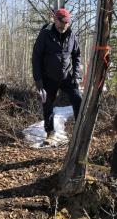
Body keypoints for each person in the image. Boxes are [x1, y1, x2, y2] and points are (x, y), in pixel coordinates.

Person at [32, 8, 82, 145]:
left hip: (66, 76)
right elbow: (36, 57)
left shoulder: (71, 35)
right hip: (48, 78)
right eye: (62, 22)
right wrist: (38, 80)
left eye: (67, 23)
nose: (64, 25)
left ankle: (80, 131)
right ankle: (50, 133)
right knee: (48, 104)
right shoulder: (45, 34)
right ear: (55, 20)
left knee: (78, 99)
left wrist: (76, 75)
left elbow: (76, 55)